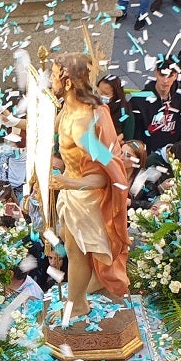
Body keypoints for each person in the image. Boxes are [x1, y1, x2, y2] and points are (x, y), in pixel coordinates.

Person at [48, 52, 131, 311]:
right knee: (71, 246)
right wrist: (13, 121)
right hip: (70, 193)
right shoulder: (67, 109)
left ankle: (78, 303)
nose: (51, 80)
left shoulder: (83, 124)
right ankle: (81, 294)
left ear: (68, 82)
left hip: (85, 197)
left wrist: (67, 183)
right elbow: (50, 129)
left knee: (77, 252)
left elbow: (103, 176)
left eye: (53, 75)